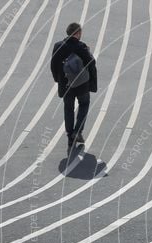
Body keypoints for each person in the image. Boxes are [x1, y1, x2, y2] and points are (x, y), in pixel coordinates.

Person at [51, 22, 98, 153]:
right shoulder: (81, 47)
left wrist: (58, 79)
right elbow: (91, 63)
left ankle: (70, 136)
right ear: (77, 33)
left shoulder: (58, 46)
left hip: (66, 85)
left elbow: (53, 65)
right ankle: (78, 131)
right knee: (84, 104)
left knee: (68, 108)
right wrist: (92, 83)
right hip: (82, 85)